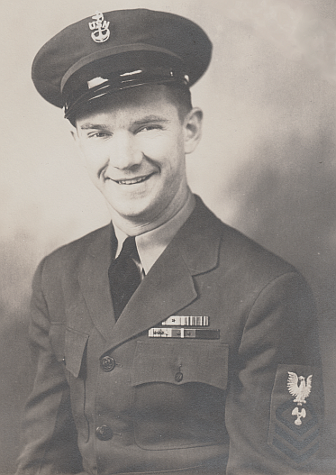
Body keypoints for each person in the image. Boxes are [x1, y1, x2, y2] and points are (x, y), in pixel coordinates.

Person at [16, 8, 323, 475]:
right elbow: (43, 459)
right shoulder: (57, 276)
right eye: (99, 133)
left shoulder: (267, 292)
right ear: (78, 141)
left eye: (147, 127)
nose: (124, 158)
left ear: (190, 129)